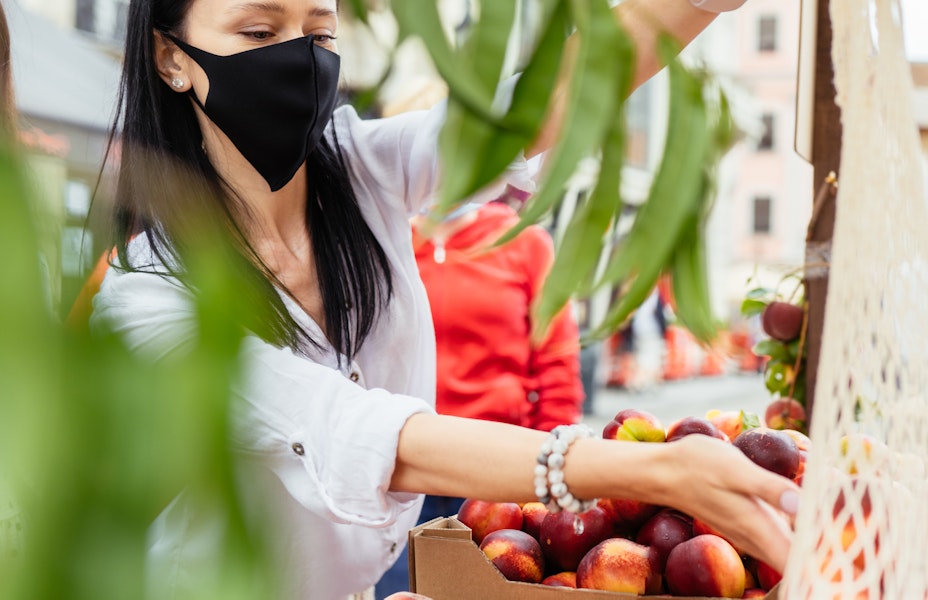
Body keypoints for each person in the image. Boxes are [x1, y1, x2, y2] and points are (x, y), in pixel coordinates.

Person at [89, 1, 795, 599]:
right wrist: (655, 471)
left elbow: (542, 106)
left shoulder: (361, 170)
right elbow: (359, 434)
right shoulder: (150, 300)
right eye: (258, 32)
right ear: (169, 57)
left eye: (320, 31)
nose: (299, 57)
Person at [375, 190, 586, 596]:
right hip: (403, 479)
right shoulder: (385, 242)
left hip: (498, 480)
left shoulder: (524, 241)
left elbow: (557, 367)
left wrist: (546, 476)